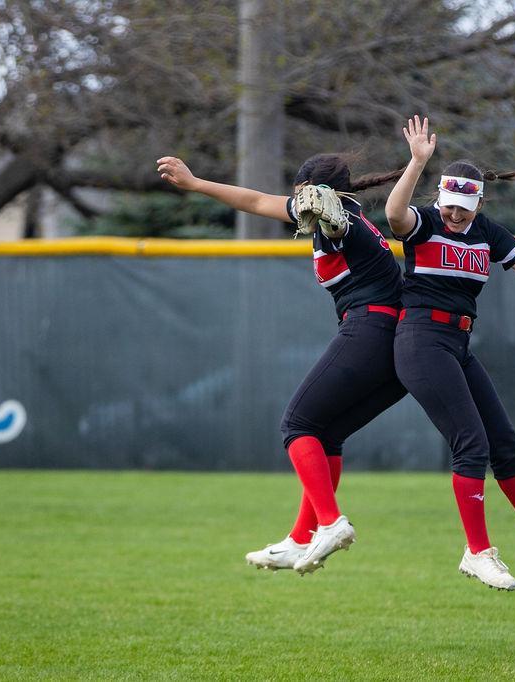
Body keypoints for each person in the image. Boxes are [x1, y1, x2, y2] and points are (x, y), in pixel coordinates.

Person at [157, 153, 407, 574]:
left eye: (301, 193)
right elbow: (258, 202)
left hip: (371, 328)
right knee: (326, 433)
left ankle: (330, 523)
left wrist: (198, 183)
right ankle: (300, 538)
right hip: (388, 335)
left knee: (297, 425)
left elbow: (327, 220)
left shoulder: (337, 216)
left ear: (311, 190)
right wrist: (197, 183)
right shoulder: (346, 214)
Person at [384, 116, 515, 591]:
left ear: (479, 203)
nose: (454, 215)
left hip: (457, 345)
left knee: (504, 442)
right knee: (472, 444)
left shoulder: (486, 232)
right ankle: (477, 552)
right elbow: (395, 214)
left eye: (464, 207)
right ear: (440, 199)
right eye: (449, 205)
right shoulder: (424, 223)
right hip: (421, 341)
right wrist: (416, 163)